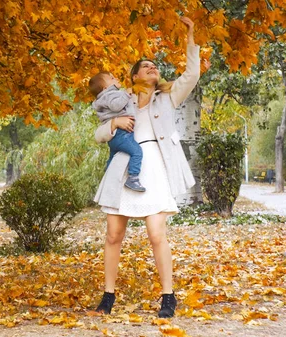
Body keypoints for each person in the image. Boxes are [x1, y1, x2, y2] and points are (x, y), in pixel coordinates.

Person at [93, 16, 200, 318]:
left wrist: (191, 37)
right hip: (123, 168)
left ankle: (168, 297)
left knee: (157, 234)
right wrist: (113, 122)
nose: (153, 67)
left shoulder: (168, 97)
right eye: (146, 65)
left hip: (154, 168)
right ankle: (108, 296)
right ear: (134, 76)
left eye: (155, 66)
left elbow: (191, 74)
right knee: (114, 235)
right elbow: (99, 135)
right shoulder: (119, 101)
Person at [89, 72, 145, 192]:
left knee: (112, 157)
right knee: (137, 152)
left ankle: (108, 179)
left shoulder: (106, 96)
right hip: (122, 134)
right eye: (112, 78)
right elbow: (116, 106)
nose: (116, 78)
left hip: (116, 136)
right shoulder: (110, 94)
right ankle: (133, 178)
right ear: (105, 87)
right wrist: (127, 93)